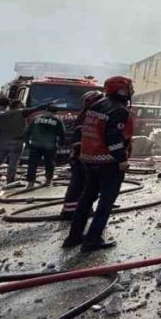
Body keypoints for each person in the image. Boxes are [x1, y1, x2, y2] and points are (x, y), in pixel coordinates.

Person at [63, 76, 135, 251]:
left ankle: (74, 236)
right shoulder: (119, 110)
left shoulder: (96, 106)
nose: (132, 90)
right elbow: (113, 138)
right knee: (106, 202)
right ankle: (93, 239)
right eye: (129, 87)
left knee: (86, 198)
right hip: (108, 162)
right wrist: (122, 159)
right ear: (122, 90)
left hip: (89, 160)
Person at [60, 90, 103, 220]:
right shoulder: (87, 117)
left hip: (82, 156)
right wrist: (82, 155)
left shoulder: (88, 115)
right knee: (80, 184)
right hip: (82, 157)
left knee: (81, 184)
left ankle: (77, 209)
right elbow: (79, 139)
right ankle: (72, 211)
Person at [23, 103, 66, 185]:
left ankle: (30, 182)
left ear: (46, 110)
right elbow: (62, 133)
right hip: (50, 146)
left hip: (35, 144)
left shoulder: (36, 118)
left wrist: (27, 143)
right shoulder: (57, 120)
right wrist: (61, 144)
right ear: (56, 112)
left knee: (32, 163)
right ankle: (48, 180)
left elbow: (27, 132)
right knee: (49, 163)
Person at [0, 100, 33, 183]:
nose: (23, 106)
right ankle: (10, 180)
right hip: (17, 141)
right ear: (18, 106)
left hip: (3, 141)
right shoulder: (20, 113)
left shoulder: (1, 115)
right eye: (22, 105)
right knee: (13, 163)